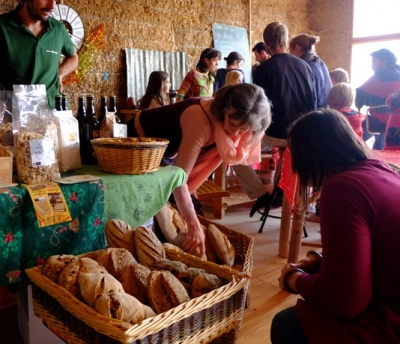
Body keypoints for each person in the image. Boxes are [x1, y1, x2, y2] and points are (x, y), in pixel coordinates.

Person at [271, 108, 400, 344]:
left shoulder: (342, 189)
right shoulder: (383, 170)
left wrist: (293, 279)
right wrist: (322, 260)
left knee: (287, 325)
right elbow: (379, 247)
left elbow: (347, 301)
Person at [128, 83, 271, 256]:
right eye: (233, 124)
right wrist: (192, 222)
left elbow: (186, 176)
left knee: (187, 211)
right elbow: (179, 178)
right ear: (222, 109)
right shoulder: (200, 119)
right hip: (138, 140)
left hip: (168, 153)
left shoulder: (238, 128)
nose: (236, 133)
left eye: (244, 129)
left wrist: (191, 210)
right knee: (160, 213)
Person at [243, 22, 316, 215]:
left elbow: (261, 108)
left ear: (267, 44)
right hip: (303, 134)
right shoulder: (306, 67)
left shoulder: (263, 69)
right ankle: (280, 192)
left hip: (277, 133)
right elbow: (313, 102)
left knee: (233, 149)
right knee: (285, 149)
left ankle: (260, 192)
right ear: (286, 39)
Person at [0, 0, 78, 110]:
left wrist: (60, 74)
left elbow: (73, 56)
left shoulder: (58, 29)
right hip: (11, 117)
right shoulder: (3, 27)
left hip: (51, 113)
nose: (52, 6)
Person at [355, 48, 400, 149]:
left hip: (382, 121)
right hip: (396, 120)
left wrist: (366, 101)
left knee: (353, 132)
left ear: (384, 62)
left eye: (374, 61)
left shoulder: (381, 75)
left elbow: (358, 94)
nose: (372, 65)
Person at [289, 33, 332, 108]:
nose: (290, 53)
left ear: (296, 47)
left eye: (290, 49)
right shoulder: (321, 63)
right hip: (324, 110)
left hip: (312, 114)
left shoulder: (303, 67)